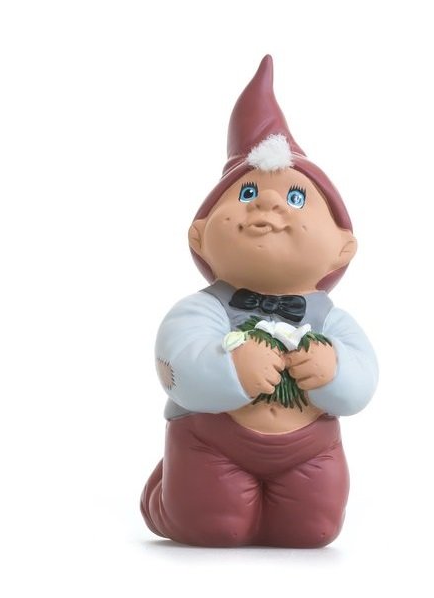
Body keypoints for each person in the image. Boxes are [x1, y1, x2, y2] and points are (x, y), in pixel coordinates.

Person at [140, 55, 378, 547]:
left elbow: (363, 383)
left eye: (296, 198)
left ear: (342, 246)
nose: (267, 203)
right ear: (200, 235)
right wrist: (228, 369)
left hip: (311, 450)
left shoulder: (334, 321)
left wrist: (335, 371)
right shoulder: (199, 310)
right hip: (210, 442)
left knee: (313, 531)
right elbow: (175, 362)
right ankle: (163, 501)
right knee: (213, 527)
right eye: (247, 192)